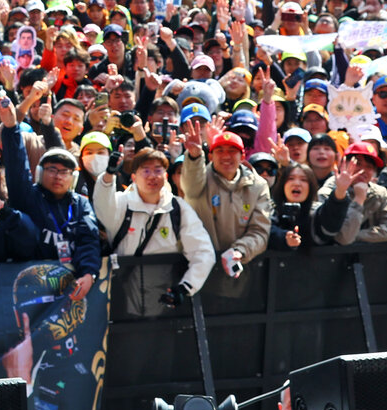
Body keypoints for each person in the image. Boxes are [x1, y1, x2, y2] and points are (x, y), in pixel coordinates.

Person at [0, 97, 101, 299]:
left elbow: (89, 241)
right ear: (41, 173)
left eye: (64, 172)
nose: (58, 176)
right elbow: (17, 166)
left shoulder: (81, 204)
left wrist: (89, 273)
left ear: (73, 177)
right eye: (52, 169)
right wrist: (11, 128)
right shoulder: (28, 196)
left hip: (69, 288)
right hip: (27, 287)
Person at [92, 147, 214, 300]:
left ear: (166, 176)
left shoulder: (178, 208)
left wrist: (186, 287)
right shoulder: (121, 203)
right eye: (146, 171)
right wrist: (109, 174)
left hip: (164, 299)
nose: (152, 176)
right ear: (134, 177)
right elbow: (102, 206)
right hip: (121, 298)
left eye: (158, 170)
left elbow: (203, 251)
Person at [179, 125, 273, 279]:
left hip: (240, 274)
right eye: (220, 151)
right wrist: (194, 157)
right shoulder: (200, 179)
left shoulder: (257, 186)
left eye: (232, 151)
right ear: (210, 156)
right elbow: (190, 188)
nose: (226, 156)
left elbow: (260, 231)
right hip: (198, 273)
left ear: (242, 156)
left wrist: (240, 251)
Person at [310, 142, 387, 244]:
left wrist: (357, 235)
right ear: (343, 164)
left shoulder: (380, 193)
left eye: (369, 166)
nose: (363, 170)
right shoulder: (327, 192)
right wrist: (359, 200)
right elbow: (344, 238)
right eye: (358, 164)